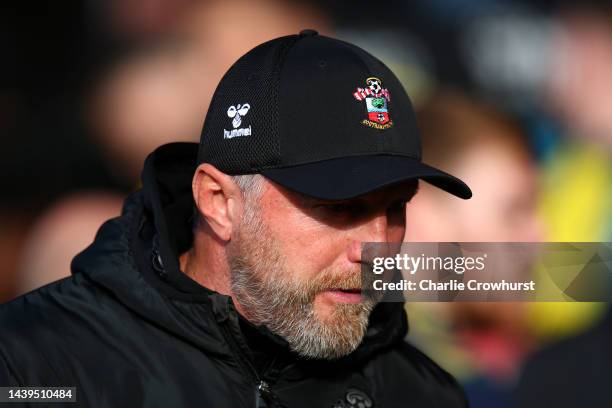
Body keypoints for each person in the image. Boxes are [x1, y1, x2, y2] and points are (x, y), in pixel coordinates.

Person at [0, 31, 472, 407]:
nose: (375, 247)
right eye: (340, 207)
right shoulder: (33, 366)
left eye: (395, 208)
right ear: (218, 201)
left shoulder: (421, 392)